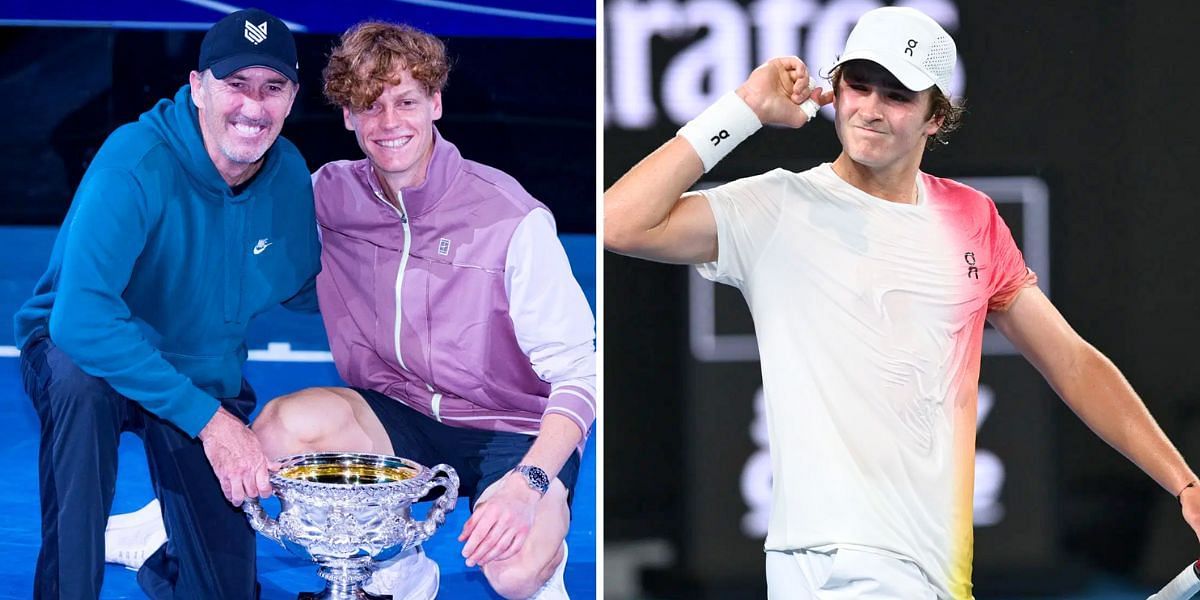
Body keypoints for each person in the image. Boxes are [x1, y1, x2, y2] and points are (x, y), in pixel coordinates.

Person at [604, 6, 1200, 599]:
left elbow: (1071, 362)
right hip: (836, 562)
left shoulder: (973, 218)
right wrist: (742, 110)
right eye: (858, 86)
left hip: (935, 571)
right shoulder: (777, 205)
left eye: (896, 95)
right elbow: (616, 223)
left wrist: (1183, 483)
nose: (869, 109)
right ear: (833, 90)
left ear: (935, 116)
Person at [109, 20, 596, 599]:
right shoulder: (328, 195)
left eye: (406, 102)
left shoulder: (510, 217)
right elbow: (243, 253)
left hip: (513, 430)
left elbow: (580, 374)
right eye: (369, 106)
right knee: (285, 426)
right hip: (396, 416)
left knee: (515, 576)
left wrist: (531, 480)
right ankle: (390, 556)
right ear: (346, 115)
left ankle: (543, 545)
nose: (389, 124)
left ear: (436, 103)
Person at [14, 8, 319, 598]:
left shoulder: (288, 175)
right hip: (91, 357)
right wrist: (211, 424)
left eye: (272, 88)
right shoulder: (134, 161)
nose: (253, 107)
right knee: (80, 385)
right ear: (198, 87)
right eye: (235, 84)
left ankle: (162, 556)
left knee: (225, 589)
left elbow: (306, 287)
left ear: (291, 98)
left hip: (200, 373)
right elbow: (78, 320)